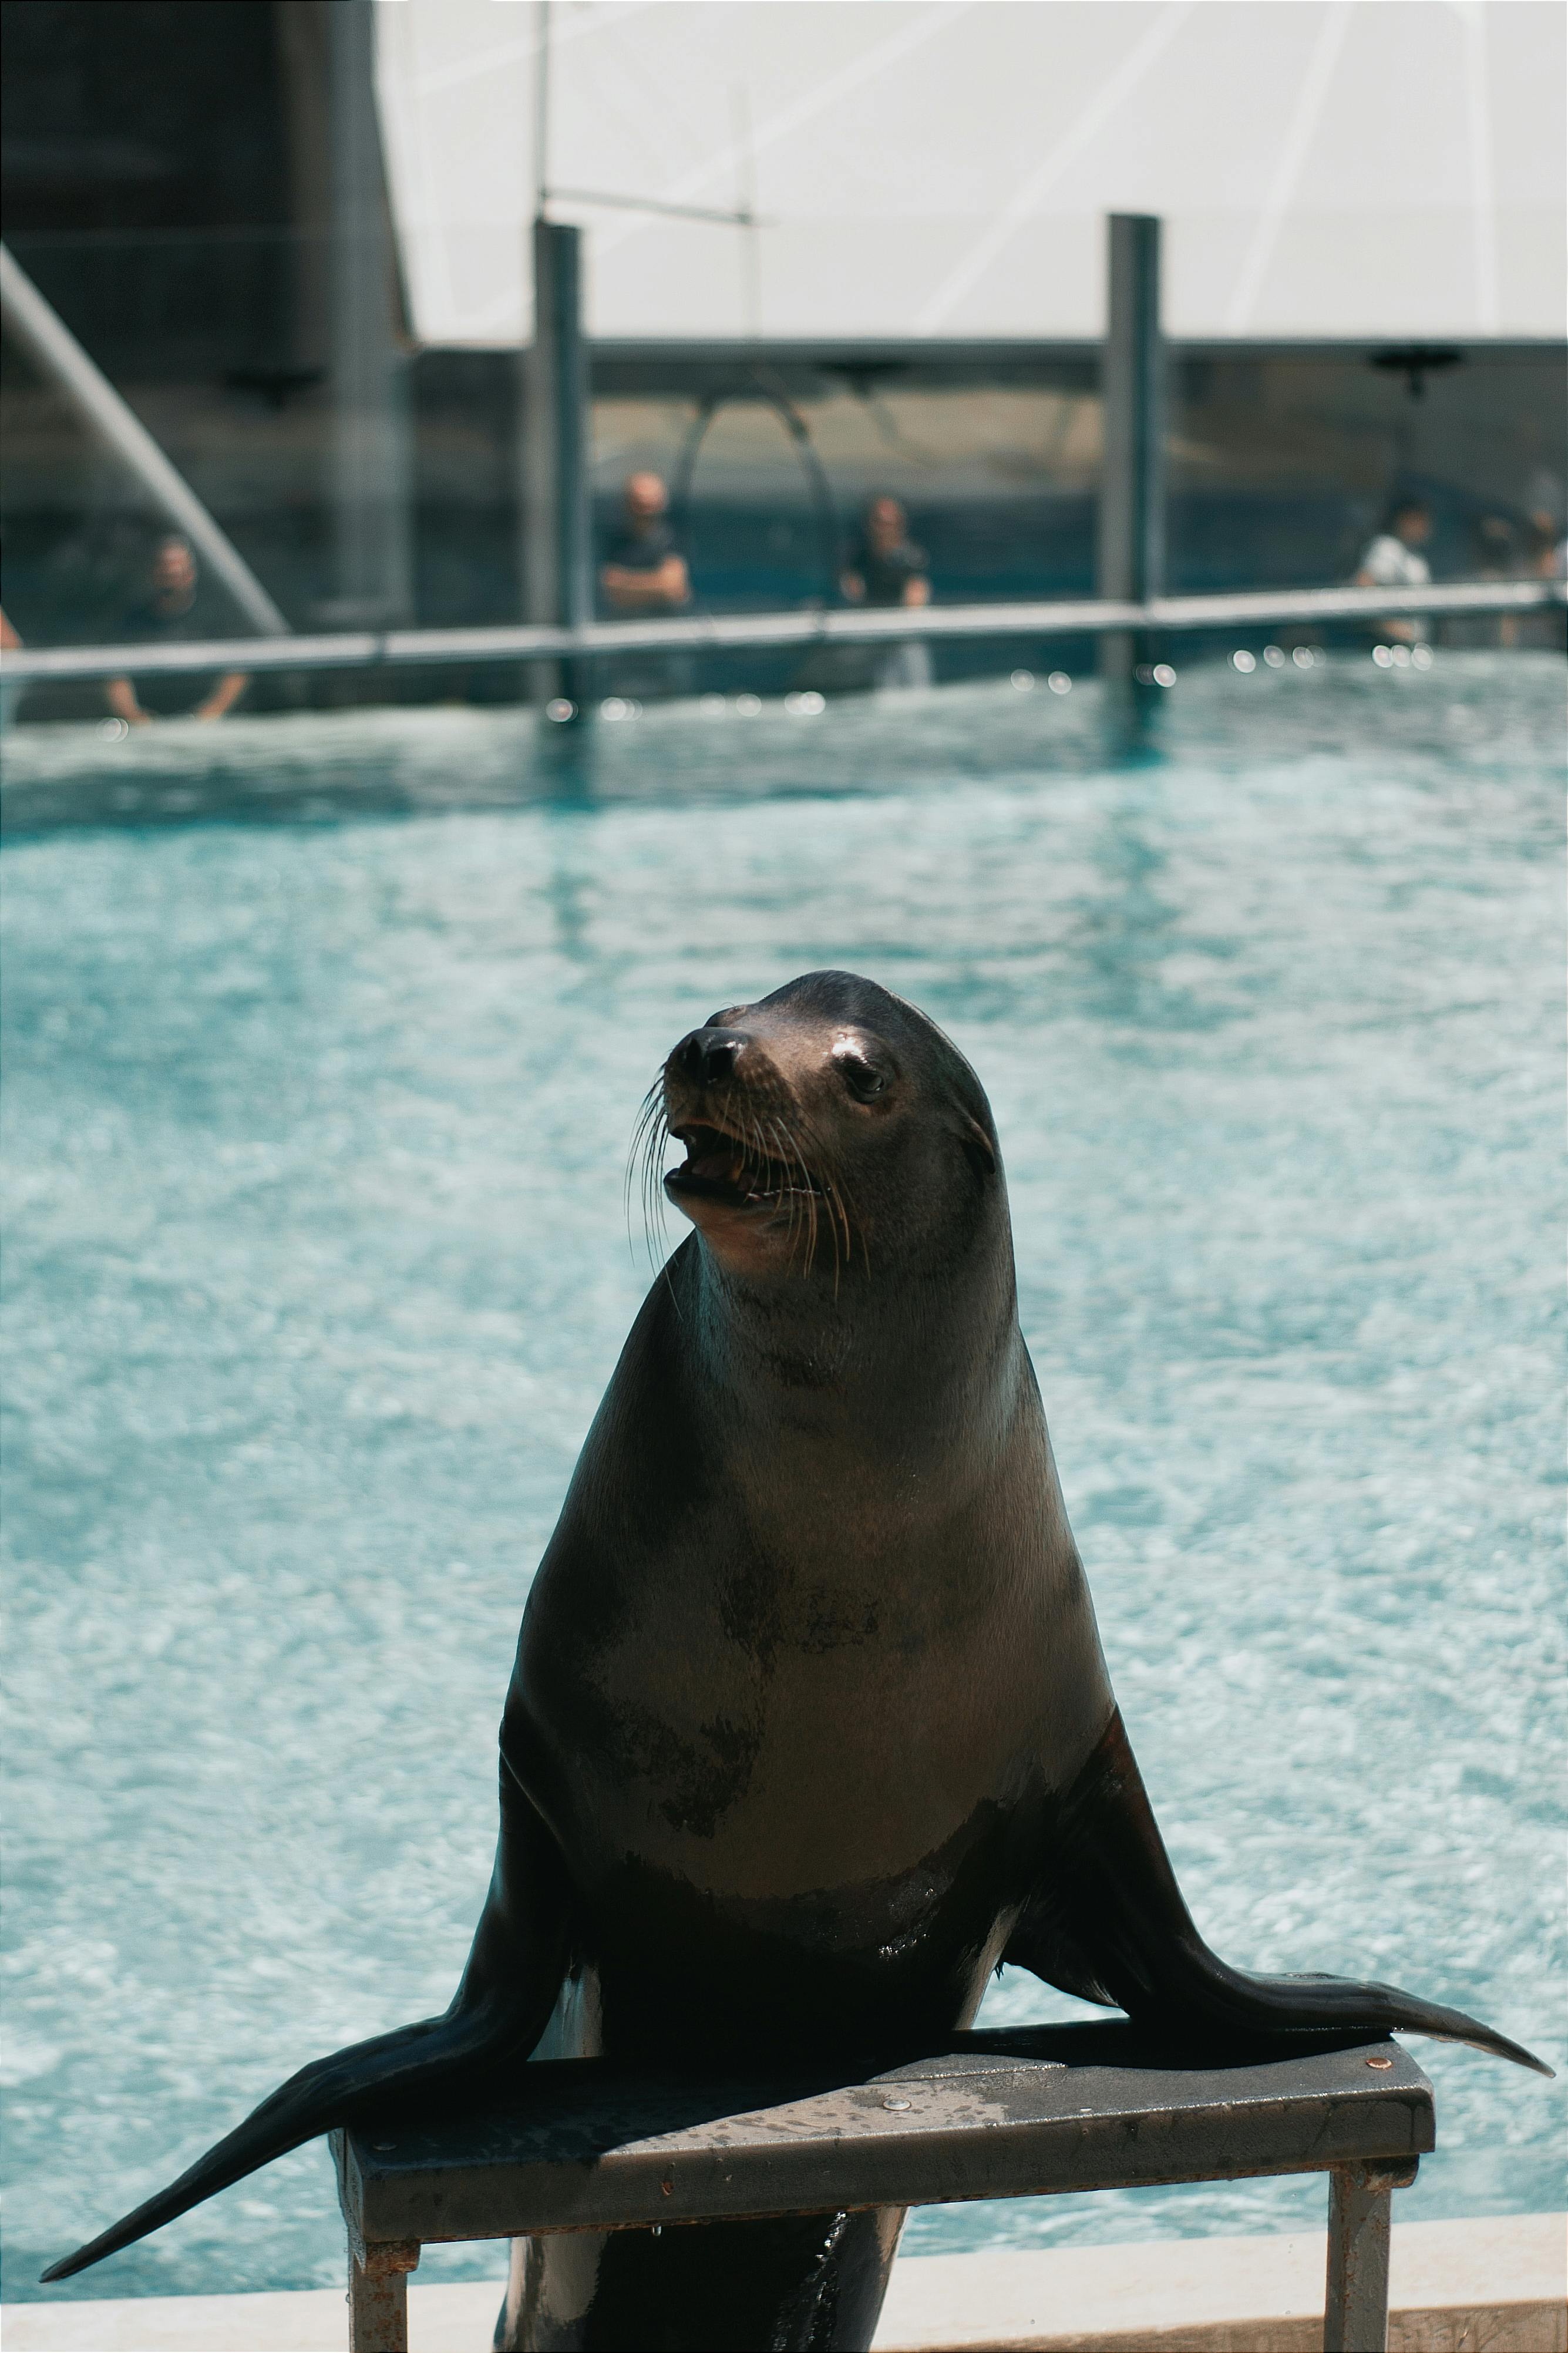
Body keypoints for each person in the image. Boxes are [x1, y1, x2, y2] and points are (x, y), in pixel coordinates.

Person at [105, 535, 248, 725]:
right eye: (164, 573)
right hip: (148, 727)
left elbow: (238, 670)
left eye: (176, 573)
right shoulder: (131, 623)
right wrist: (134, 716)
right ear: (152, 573)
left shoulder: (217, 619)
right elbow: (115, 674)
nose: (170, 579)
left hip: (207, 726)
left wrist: (212, 712)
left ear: (190, 574)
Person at [841, 496, 933, 688]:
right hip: (867, 632)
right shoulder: (858, 555)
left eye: (890, 523)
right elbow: (851, 589)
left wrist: (901, 620)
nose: (884, 529)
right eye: (879, 523)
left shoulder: (911, 557)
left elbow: (916, 596)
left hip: (902, 634)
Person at [598, 475, 689, 615]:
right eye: (639, 505)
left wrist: (627, 583)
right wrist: (658, 583)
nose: (645, 512)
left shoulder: (671, 539)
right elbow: (611, 590)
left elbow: (673, 589)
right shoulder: (614, 540)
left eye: (651, 505)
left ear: (662, 505)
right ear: (627, 505)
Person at [1354, 498, 1432, 644]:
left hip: (1414, 648)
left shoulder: (1416, 558)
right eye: (1417, 520)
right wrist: (1388, 625)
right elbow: (1364, 584)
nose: (1424, 526)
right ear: (1403, 520)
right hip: (1388, 647)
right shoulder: (1387, 548)